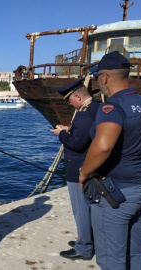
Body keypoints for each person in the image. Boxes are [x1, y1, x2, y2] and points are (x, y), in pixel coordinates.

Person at [79, 51, 141, 269]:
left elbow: (103, 146)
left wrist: (84, 173)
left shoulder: (111, 107)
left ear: (105, 77)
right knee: (136, 252)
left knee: (111, 259)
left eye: (99, 77)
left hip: (115, 195)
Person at [50, 78, 98, 260]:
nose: (69, 103)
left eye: (69, 99)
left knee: (81, 209)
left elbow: (77, 144)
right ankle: (87, 239)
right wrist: (69, 129)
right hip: (89, 166)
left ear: (77, 97)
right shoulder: (96, 108)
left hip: (78, 168)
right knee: (88, 207)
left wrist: (61, 133)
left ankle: (84, 247)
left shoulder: (85, 114)